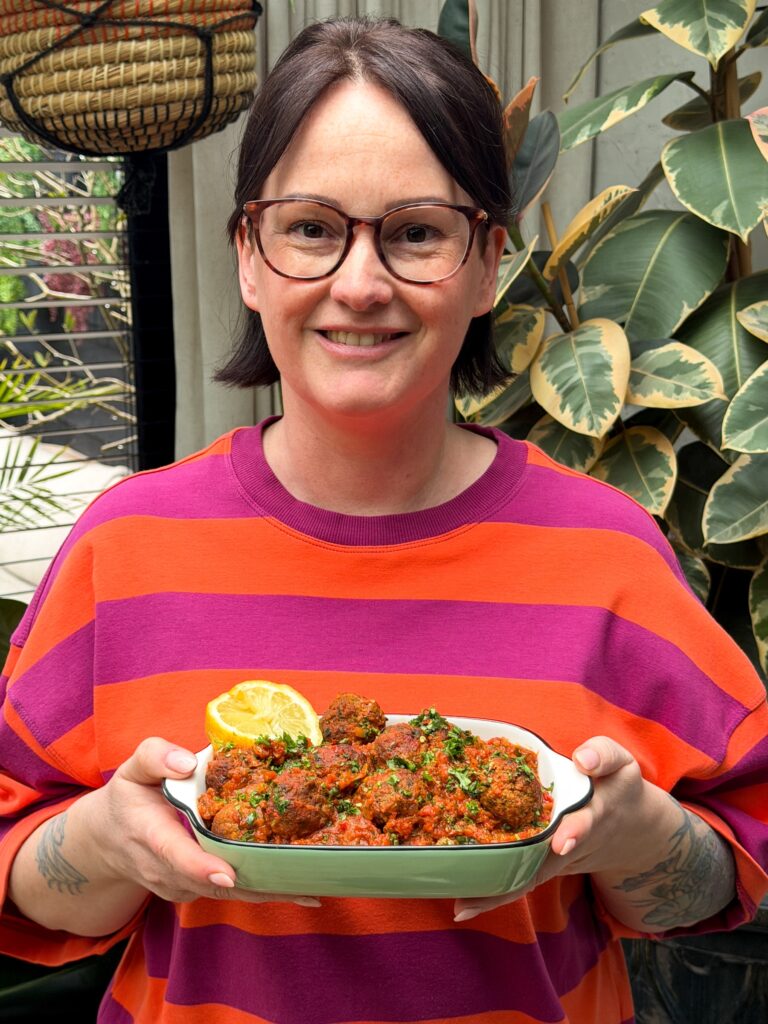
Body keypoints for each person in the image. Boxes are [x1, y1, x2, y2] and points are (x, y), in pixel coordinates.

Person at [1, 16, 767, 1024]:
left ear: (487, 261)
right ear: (249, 254)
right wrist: (103, 841)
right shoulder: (123, 546)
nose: (360, 285)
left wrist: (641, 838)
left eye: (415, 232)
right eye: (312, 227)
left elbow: (737, 864)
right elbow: (19, 872)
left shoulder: (607, 552)